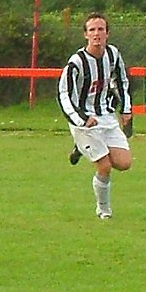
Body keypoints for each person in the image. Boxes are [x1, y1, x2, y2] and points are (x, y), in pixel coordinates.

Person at [57, 12, 132, 219]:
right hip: (84, 122)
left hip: (106, 117)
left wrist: (126, 109)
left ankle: (81, 148)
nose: (96, 34)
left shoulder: (113, 54)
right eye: (92, 30)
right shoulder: (76, 62)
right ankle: (104, 210)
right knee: (105, 166)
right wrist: (81, 119)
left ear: (108, 33)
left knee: (124, 163)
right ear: (85, 35)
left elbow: (123, 81)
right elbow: (64, 94)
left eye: (101, 29)